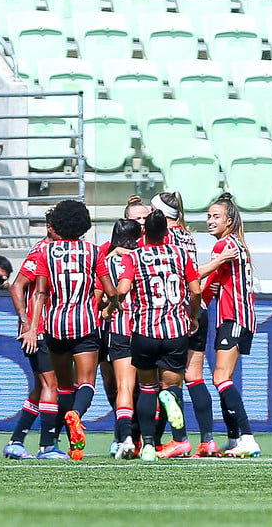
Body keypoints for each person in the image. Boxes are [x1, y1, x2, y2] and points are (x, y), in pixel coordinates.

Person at [22, 200, 117, 460]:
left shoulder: (46, 252)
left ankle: (60, 442)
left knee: (62, 386)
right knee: (86, 382)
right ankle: (76, 414)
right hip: (85, 324)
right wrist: (113, 305)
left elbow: (40, 292)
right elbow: (110, 290)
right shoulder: (93, 251)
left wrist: (32, 328)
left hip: (54, 326)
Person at [150, 192, 237, 458]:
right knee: (195, 377)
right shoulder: (187, 235)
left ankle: (177, 439)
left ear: (162, 215)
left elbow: (179, 273)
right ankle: (208, 440)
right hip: (197, 308)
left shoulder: (163, 237)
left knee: (168, 383)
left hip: (174, 310)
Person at [117, 209, 201, 462]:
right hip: (176, 330)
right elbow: (195, 291)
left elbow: (123, 288)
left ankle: (149, 445)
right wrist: (192, 316)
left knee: (146, 388)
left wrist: (120, 302)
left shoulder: (134, 257)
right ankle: (178, 437)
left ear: (144, 231)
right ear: (166, 232)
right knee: (172, 386)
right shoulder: (181, 253)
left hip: (145, 330)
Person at [4, 210, 67, 460]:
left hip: (53, 328)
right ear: (51, 228)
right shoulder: (41, 251)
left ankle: (16, 441)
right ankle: (47, 446)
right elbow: (17, 284)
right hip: (37, 330)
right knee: (51, 384)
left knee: (42, 386)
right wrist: (26, 322)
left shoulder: (65, 251)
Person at [205, 193, 261, 457]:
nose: (210, 221)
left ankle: (247, 436)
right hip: (239, 317)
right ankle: (233, 438)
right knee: (223, 378)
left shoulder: (224, 245)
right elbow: (215, 282)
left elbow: (202, 275)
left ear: (228, 220)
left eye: (216, 216)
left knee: (220, 377)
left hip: (234, 317)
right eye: (208, 216)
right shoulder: (238, 243)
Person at [98, 218, 142, 459]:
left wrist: (108, 306)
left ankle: (121, 438)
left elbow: (98, 297)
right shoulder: (142, 258)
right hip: (144, 327)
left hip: (115, 329)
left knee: (120, 387)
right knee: (147, 387)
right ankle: (146, 441)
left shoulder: (104, 261)